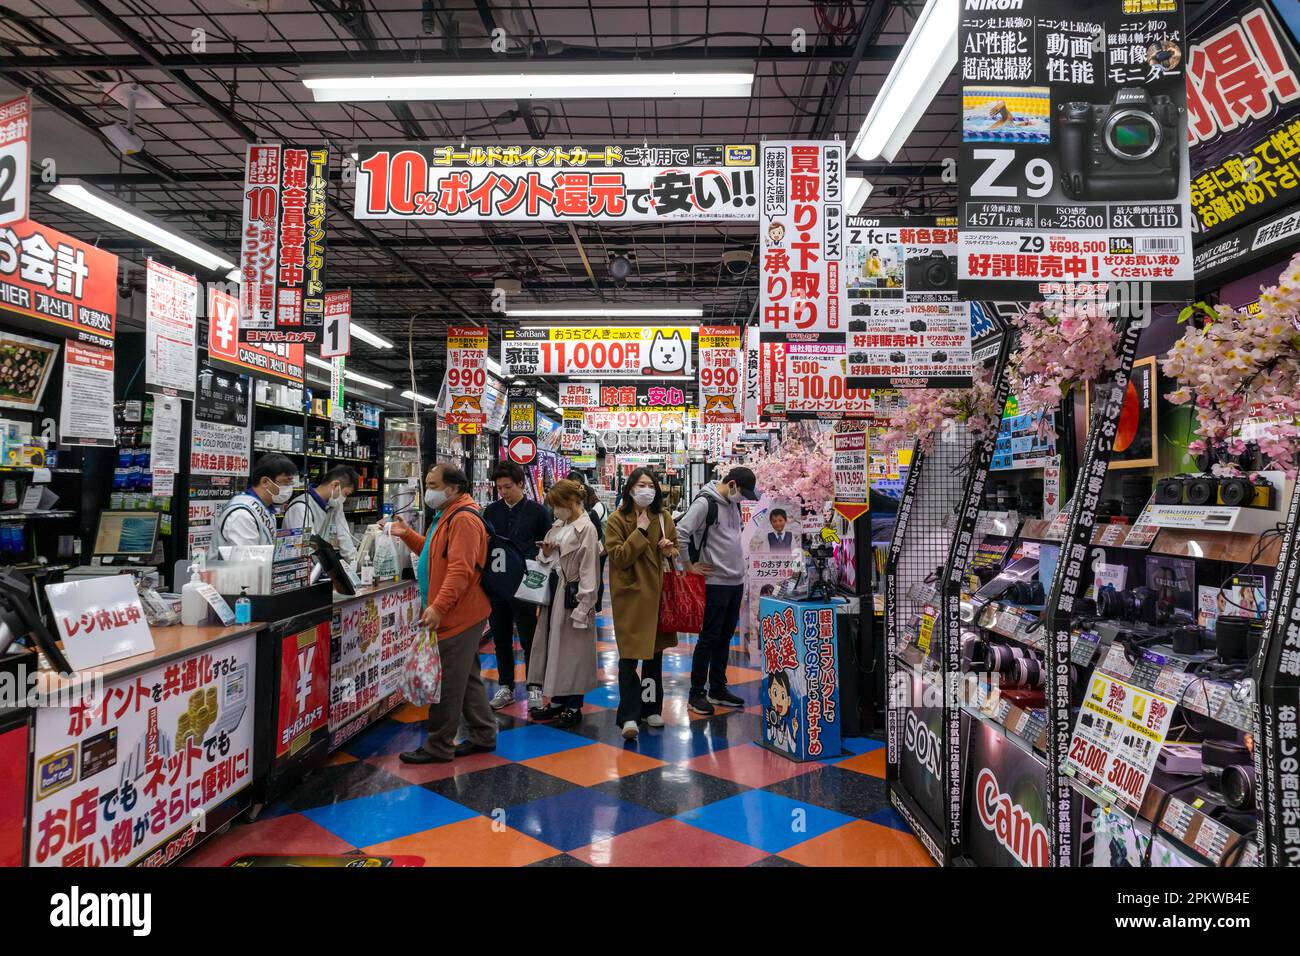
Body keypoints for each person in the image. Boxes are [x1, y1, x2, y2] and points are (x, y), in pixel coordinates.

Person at [384, 463, 494, 764]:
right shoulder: (446, 515)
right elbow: (434, 553)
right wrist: (407, 535)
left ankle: (439, 745)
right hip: (457, 612)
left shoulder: (463, 519)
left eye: (433, 485)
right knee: (466, 677)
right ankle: (484, 732)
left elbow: (461, 570)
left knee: (447, 682)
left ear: (453, 488)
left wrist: (438, 607)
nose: (427, 490)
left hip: (459, 615)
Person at [676, 466, 759, 715]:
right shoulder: (705, 503)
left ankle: (718, 688)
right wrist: (689, 566)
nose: (743, 498)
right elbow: (681, 532)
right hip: (714, 584)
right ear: (731, 484)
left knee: (724, 638)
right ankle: (696, 693)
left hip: (735, 582)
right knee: (708, 638)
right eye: (742, 493)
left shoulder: (733, 504)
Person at [605, 467, 679, 740]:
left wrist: (669, 550)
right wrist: (640, 531)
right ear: (630, 489)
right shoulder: (616, 519)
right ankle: (628, 715)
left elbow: (675, 551)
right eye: (641, 484)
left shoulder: (664, 517)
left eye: (651, 484)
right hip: (631, 597)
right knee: (628, 659)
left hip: (658, 597)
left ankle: (652, 708)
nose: (647, 489)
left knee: (654, 656)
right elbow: (619, 557)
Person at [526, 479, 601, 728]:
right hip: (555, 592)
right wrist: (546, 553)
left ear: (570, 502)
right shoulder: (559, 525)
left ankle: (573, 703)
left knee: (574, 651)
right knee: (554, 648)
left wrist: (584, 606)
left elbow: (590, 571)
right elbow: (545, 560)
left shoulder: (587, 529)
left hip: (573, 594)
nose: (554, 511)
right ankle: (558, 698)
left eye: (557, 505)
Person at [482, 461, 553, 711]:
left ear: (521, 484)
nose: (503, 492)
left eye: (508, 487)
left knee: (529, 637)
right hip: (498, 584)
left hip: (527, 585)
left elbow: (549, 544)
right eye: (499, 487)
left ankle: (534, 685)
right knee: (500, 637)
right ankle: (506, 686)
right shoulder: (491, 512)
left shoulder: (539, 512)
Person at [207, 453, 298, 560]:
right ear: (265, 482)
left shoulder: (265, 507)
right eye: (285, 482)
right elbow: (246, 563)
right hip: (231, 575)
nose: (289, 488)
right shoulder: (242, 514)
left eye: (291, 483)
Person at [282, 465, 361, 561]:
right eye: (346, 494)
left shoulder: (334, 504)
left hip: (321, 566)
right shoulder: (301, 506)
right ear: (335, 485)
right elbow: (307, 547)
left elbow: (343, 534)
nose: (344, 499)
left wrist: (355, 562)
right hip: (301, 568)